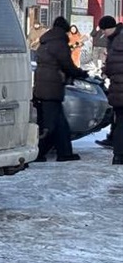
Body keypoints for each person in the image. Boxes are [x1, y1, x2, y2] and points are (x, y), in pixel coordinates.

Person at [33, 16, 89, 162]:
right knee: (51, 124)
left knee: (59, 123)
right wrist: (80, 73)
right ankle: (38, 153)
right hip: (52, 88)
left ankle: (64, 153)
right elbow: (67, 64)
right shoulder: (59, 43)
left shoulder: (45, 42)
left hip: (42, 86)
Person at [100, 15, 123, 165]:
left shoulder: (114, 43)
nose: (104, 33)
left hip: (117, 89)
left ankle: (119, 155)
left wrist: (106, 69)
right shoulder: (114, 40)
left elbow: (111, 67)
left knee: (120, 122)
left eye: (104, 30)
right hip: (118, 88)